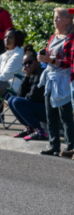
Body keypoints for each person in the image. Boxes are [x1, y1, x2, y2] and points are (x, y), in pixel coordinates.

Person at [37, 8, 74, 157]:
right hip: (51, 78)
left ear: (67, 20)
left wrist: (51, 60)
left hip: (63, 79)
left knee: (65, 116)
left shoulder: (70, 39)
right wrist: (44, 56)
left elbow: (68, 63)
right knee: (50, 115)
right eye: (54, 17)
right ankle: (54, 146)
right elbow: (50, 56)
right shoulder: (53, 37)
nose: (55, 20)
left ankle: (71, 146)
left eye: (58, 17)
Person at [7, 52, 47, 140]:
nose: (27, 65)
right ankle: (29, 128)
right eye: (25, 63)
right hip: (37, 108)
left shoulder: (41, 74)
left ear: (38, 62)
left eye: (30, 62)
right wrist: (26, 76)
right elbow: (19, 94)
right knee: (11, 100)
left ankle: (40, 131)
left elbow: (33, 97)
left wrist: (23, 99)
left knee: (16, 101)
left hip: (47, 110)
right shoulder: (31, 75)